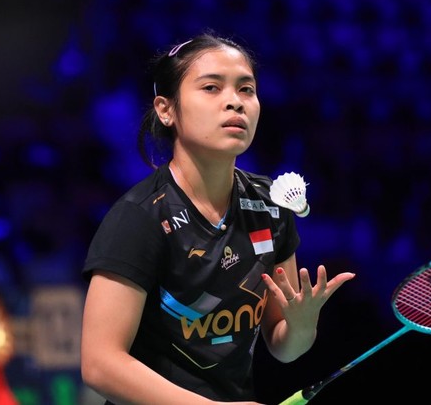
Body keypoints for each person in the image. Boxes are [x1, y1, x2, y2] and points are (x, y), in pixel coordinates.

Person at [80, 31, 355, 404]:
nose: (235, 102)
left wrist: (303, 325)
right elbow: (100, 364)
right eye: (211, 88)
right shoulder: (140, 217)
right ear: (166, 109)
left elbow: (284, 347)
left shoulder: (271, 207)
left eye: (246, 89)